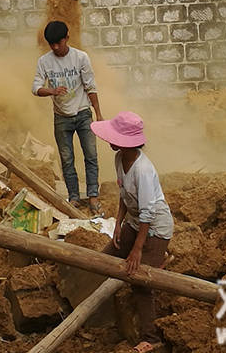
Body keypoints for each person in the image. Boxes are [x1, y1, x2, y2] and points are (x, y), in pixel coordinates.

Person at [91, 111, 174, 351]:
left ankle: (151, 338)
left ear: (126, 142)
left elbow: (148, 214)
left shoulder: (143, 170)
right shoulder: (119, 159)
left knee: (140, 281)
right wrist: (118, 224)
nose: (109, 140)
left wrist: (137, 250)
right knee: (106, 257)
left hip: (155, 228)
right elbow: (124, 195)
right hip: (135, 222)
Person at [32, 20, 104, 216]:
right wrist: (52, 90)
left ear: (67, 38)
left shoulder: (81, 58)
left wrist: (98, 114)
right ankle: (73, 197)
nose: (56, 47)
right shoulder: (44, 62)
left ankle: (93, 197)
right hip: (61, 118)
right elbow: (36, 88)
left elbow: (90, 86)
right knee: (67, 159)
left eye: (59, 43)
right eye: (52, 44)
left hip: (83, 114)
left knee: (91, 156)